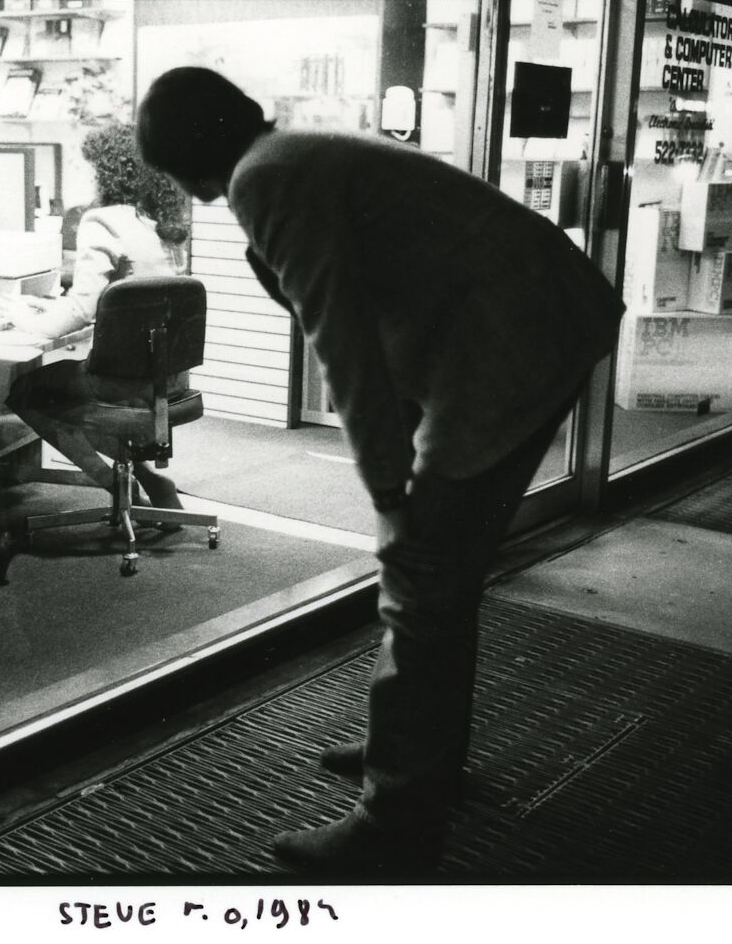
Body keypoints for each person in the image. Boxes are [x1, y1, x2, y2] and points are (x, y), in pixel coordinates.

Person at [136, 67, 625, 872]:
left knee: (423, 566)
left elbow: (343, 342)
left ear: (187, 161)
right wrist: (399, 467)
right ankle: (418, 756)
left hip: (511, 341)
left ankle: (396, 820)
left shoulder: (266, 180)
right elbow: (373, 310)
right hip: (533, 319)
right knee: (441, 570)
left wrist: (390, 484)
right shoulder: (290, 154)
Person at [3, 123, 191, 517]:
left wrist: (20, 322)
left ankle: (115, 489)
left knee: (26, 393)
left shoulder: (103, 221)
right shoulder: (166, 223)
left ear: (109, 171)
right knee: (76, 395)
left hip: (123, 385)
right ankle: (153, 482)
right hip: (168, 380)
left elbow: (81, 309)